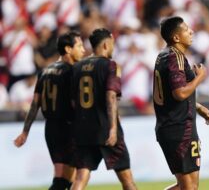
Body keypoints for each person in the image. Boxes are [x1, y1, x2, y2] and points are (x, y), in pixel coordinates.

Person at [14, 31, 85, 190]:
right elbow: (76, 103)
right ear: (68, 49)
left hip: (51, 130)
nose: (84, 50)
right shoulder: (73, 71)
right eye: (79, 46)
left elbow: (34, 105)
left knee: (60, 179)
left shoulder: (44, 72)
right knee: (74, 178)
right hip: (69, 127)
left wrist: (25, 132)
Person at [71, 28, 137, 190]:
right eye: (112, 44)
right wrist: (113, 128)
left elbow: (72, 101)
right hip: (106, 129)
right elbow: (111, 96)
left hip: (83, 130)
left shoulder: (77, 67)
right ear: (106, 44)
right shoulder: (110, 65)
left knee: (80, 178)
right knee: (127, 180)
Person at [153, 16, 209, 190]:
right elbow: (179, 93)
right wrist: (200, 77)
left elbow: (170, 93)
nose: (191, 31)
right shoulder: (174, 57)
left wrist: (198, 107)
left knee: (189, 187)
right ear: (176, 38)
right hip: (178, 128)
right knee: (188, 187)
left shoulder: (164, 56)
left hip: (179, 126)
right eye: (186, 29)